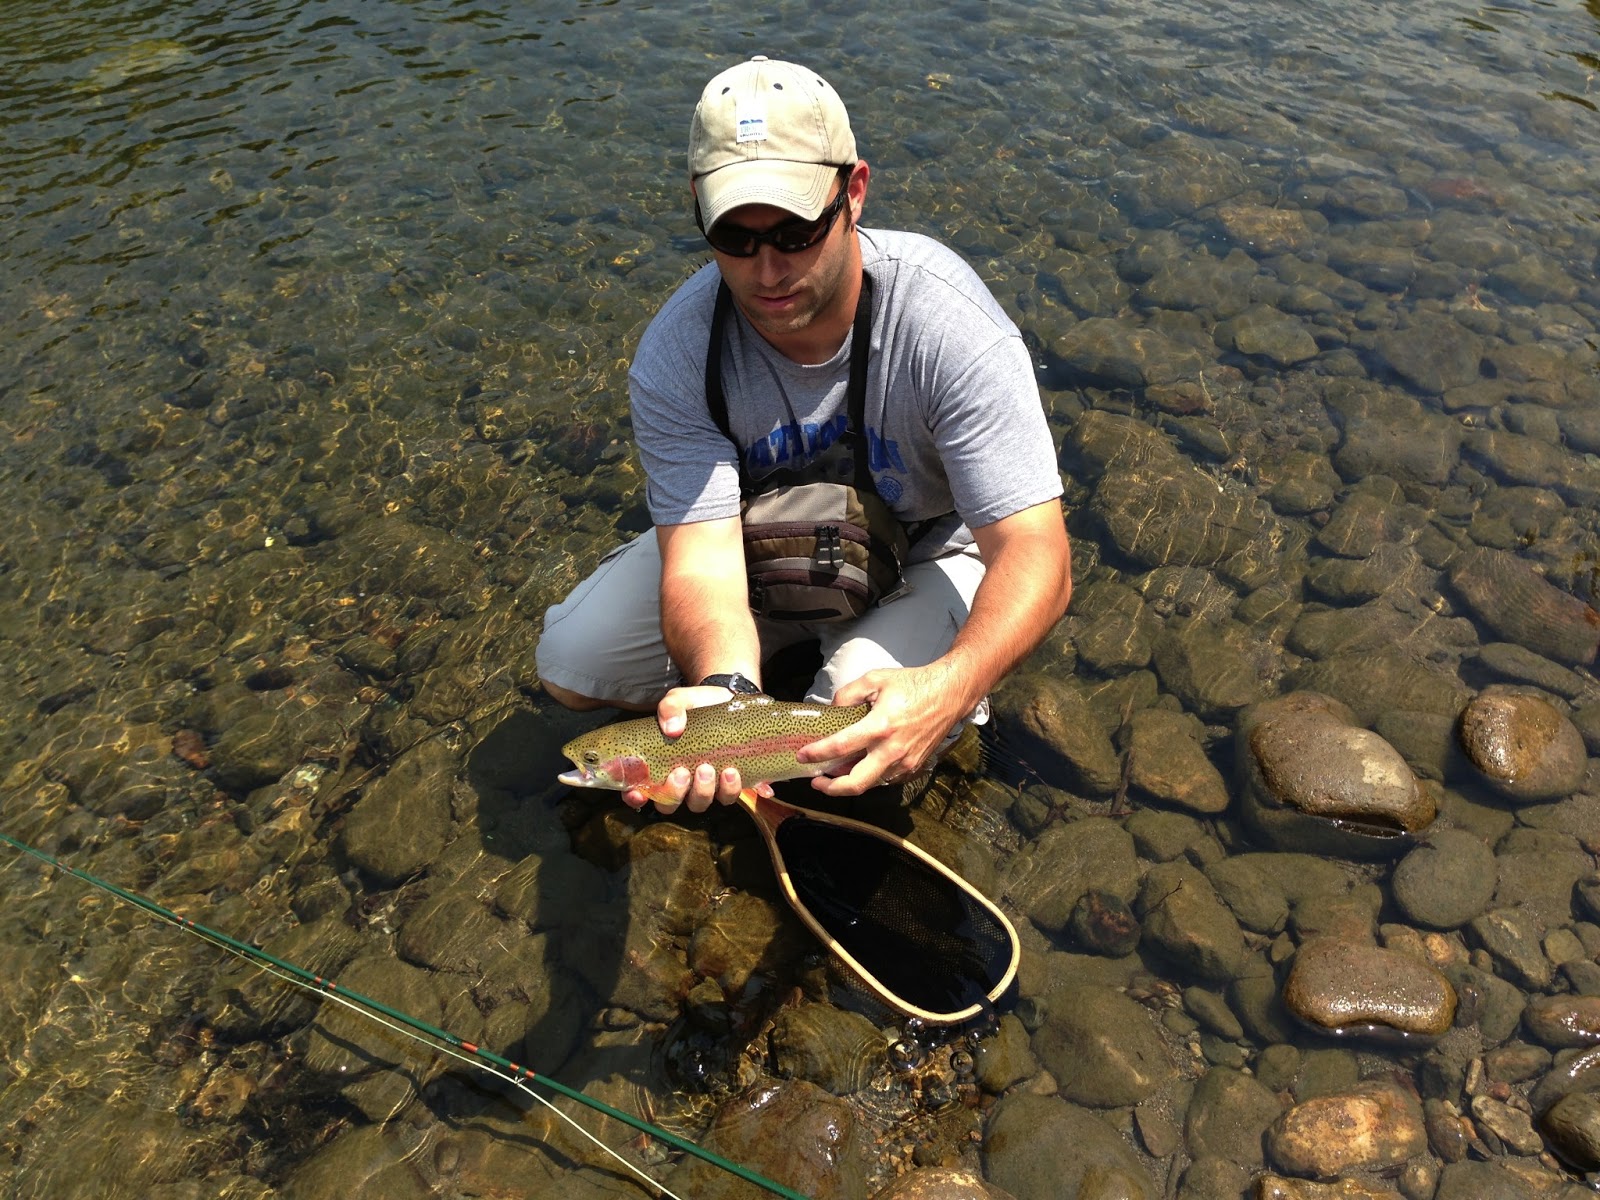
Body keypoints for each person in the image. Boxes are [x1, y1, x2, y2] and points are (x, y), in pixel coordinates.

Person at [536, 55, 1070, 814]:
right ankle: (774, 677)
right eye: (735, 236)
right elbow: (700, 565)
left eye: (794, 229)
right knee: (571, 661)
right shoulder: (680, 351)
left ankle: (879, 684)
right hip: (766, 552)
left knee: (840, 755)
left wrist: (949, 688)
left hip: (925, 558)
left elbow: (1037, 553)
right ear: (698, 209)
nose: (767, 268)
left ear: (853, 191)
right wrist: (725, 699)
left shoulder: (946, 325)